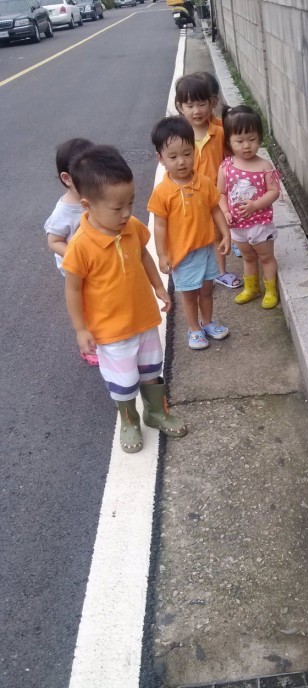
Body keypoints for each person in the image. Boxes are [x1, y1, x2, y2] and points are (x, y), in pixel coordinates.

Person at [62, 145, 187, 453]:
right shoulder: (80, 245)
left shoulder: (130, 227)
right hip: (110, 330)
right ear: (88, 205)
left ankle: (157, 412)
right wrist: (81, 329)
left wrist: (158, 286)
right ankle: (130, 420)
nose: (127, 213)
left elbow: (143, 254)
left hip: (143, 319)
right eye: (117, 208)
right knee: (123, 381)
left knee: (150, 370)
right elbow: (73, 289)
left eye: (130, 202)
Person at [148, 116, 231, 350]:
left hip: (206, 248)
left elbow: (215, 210)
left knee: (207, 290)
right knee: (189, 294)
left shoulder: (204, 182)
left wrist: (225, 234)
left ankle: (208, 323)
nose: (181, 162)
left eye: (187, 153)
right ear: (161, 158)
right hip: (182, 255)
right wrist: (162, 255)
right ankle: (194, 328)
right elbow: (160, 226)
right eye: (173, 157)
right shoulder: (162, 192)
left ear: (194, 151)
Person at [175, 74, 241, 289]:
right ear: (180, 107)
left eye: (201, 104)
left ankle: (222, 270)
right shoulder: (180, 137)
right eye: (190, 105)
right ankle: (210, 271)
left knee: (220, 231)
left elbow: (230, 159)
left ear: (211, 103)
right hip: (192, 195)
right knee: (205, 235)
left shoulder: (220, 131)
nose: (197, 110)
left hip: (219, 196)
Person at [218, 104, 281, 309]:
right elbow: (220, 193)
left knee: (265, 257)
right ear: (229, 141)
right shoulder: (226, 166)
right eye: (240, 141)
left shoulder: (264, 167)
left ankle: (270, 290)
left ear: (259, 138)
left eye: (252, 139)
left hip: (260, 224)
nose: (246, 146)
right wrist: (226, 211)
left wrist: (255, 205)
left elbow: (274, 192)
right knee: (247, 256)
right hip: (237, 225)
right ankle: (251, 287)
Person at [44, 137, 98, 366]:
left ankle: (106, 331)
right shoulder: (63, 211)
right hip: (74, 267)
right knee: (85, 304)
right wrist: (74, 255)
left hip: (96, 261)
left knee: (100, 299)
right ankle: (87, 341)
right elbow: (53, 240)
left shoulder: (94, 195)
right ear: (67, 178)